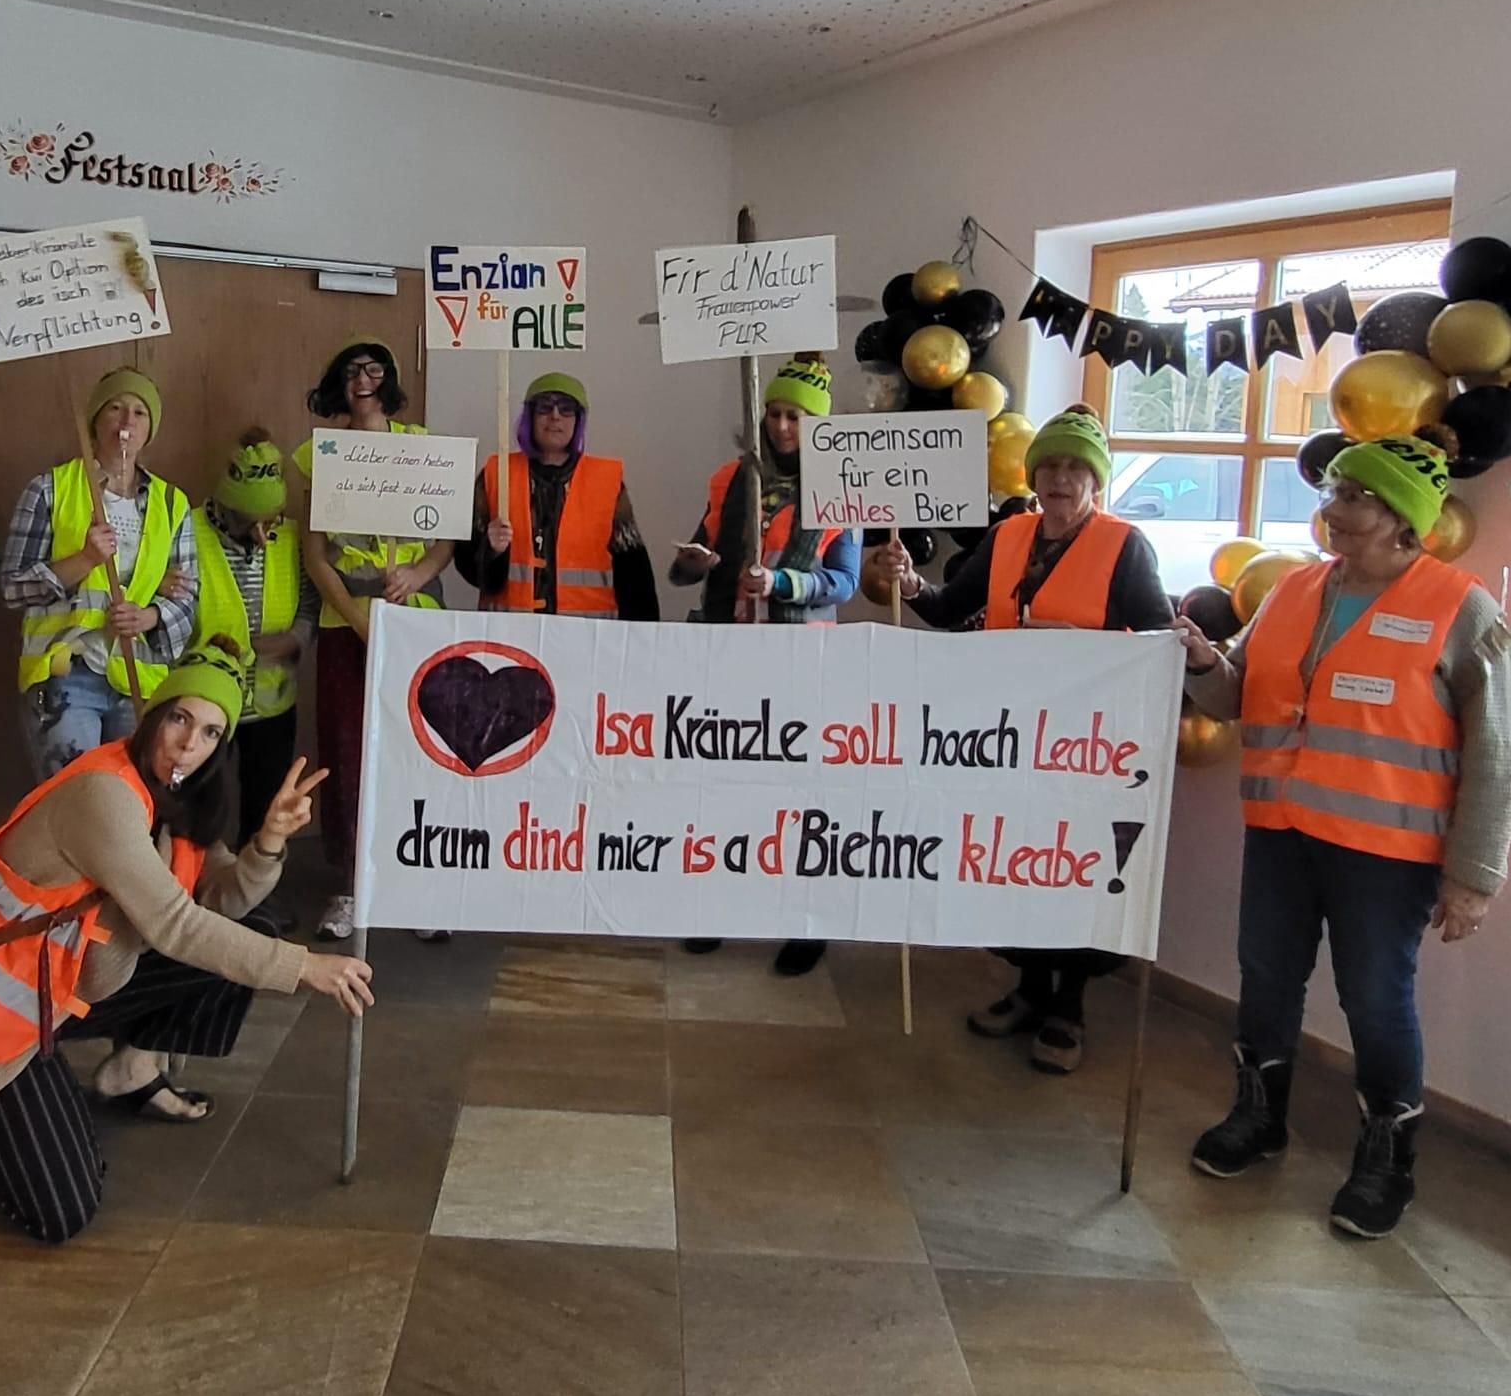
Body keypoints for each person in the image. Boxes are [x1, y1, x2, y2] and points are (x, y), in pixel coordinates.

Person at [0, 639, 375, 1245]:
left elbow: (222, 903)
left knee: (247, 935)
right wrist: (305, 965)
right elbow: (176, 925)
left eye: (210, 732)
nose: (189, 742)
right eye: (181, 718)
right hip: (3, 1011)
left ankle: (132, 1071)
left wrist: (269, 841)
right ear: (154, 713)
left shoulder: (180, 797)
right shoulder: (104, 792)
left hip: (68, 985)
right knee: (62, 1213)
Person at [1172, 434, 1511, 1240]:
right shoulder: (1294, 590)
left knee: (1374, 998)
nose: (1332, 511)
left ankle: (1386, 1159)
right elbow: (1234, 698)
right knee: (1265, 978)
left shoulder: (1463, 609)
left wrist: (1474, 875)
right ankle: (1258, 1118)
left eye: (1354, 498)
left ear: (1404, 519)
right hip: (1282, 832)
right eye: (1332, 494)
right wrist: (1200, 661)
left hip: (1387, 855)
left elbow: (1501, 753)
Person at [863, 402, 1172, 1073]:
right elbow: (950, 609)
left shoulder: (1126, 547)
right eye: (1049, 466)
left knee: (1074, 868)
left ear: (1096, 481)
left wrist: (1080, 649)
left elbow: (1158, 644)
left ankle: (1068, 1006)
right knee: (1019, 863)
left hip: (1087, 748)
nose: (1059, 479)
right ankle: (1030, 986)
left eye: (1074, 468)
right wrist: (910, 581)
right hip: (1009, 740)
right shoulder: (1009, 537)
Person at [672, 354, 861, 976]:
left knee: (801, 797)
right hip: (725, 656)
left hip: (801, 666)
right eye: (775, 414)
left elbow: (844, 581)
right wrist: (696, 563)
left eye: (796, 417)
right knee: (723, 790)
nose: (782, 427)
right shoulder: (730, 478)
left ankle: (805, 921)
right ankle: (718, 905)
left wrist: (779, 580)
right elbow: (690, 562)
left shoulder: (842, 485)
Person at [291, 338, 453, 940]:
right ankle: (354, 884)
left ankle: (418, 885)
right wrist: (356, 619)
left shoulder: (423, 448)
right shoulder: (320, 454)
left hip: (416, 623)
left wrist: (417, 575)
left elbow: (446, 539)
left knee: (421, 750)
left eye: (374, 369)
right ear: (339, 381)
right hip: (346, 629)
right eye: (352, 370)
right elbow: (315, 554)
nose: (364, 379)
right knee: (348, 751)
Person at [2, 367, 196, 783]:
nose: (127, 422)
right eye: (115, 408)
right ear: (94, 420)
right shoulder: (49, 490)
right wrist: (85, 560)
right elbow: (13, 588)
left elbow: (186, 595)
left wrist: (151, 616)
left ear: (150, 429)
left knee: (133, 805)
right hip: (65, 675)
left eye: (140, 413)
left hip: (137, 679)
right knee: (76, 803)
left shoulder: (172, 503)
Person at [190, 428, 319, 849]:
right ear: (225, 507)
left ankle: (258, 895)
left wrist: (295, 640)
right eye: (251, 523)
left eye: (271, 521)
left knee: (266, 804)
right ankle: (194, 894)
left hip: (272, 700)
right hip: (205, 697)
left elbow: (309, 602)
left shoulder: (293, 537)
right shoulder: (185, 531)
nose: (264, 534)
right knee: (197, 804)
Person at [454, 371, 659, 620]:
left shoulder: (606, 481)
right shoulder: (497, 475)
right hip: (511, 633)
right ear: (529, 417)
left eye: (566, 409)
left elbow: (633, 571)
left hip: (585, 636)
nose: (555, 416)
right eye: (544, 408)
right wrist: (493, 551)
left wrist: (644, 639)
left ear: (578, 420)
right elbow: (469, 567)